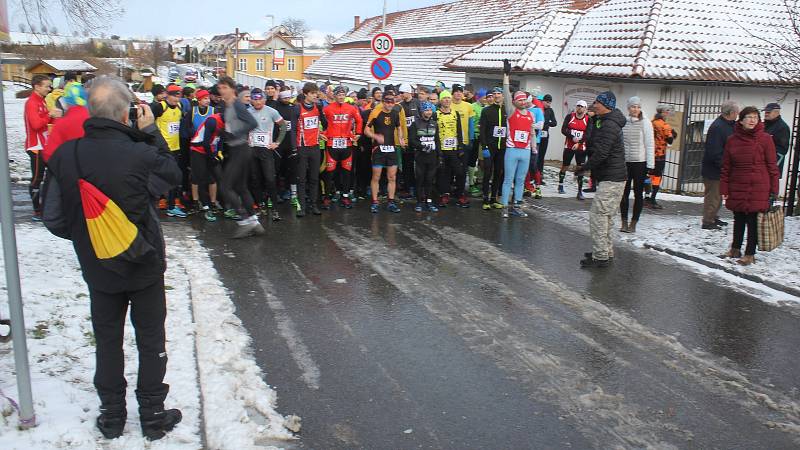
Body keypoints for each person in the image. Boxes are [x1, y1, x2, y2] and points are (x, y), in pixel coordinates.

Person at [41, 77, 183, 441]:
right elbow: (172, 176)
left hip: (97, 265)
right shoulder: (143, 154)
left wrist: (91, 238)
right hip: (144, 260)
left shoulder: (65, 156)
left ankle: (112, 415)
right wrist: (150, 131)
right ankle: (152, 414)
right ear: (126, 113)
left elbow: (54, 217)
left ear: (90, 112)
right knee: (151, 338)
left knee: (107, 338)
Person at [720, 106, 780, 265]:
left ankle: (750, 253)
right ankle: (735, 248)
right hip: (737, 183)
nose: (752, 120)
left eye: (755, 117)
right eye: (749, 117)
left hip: (759, 185)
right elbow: (726, 167)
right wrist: (724, 188)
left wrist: (774, 190)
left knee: (753, 220)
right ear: (741, 120)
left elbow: (772, 166)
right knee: (738, 217)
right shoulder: (732, 140)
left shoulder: (766, 139)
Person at [576, 91, 627, 268]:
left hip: (612, 178)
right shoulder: (605, 121)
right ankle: (605, 251)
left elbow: (602, 152)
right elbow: (593, 143)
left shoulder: (610, 125)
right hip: (613, 177)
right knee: (606, 216)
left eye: (597, 102)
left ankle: (601, 257)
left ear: (606, 105)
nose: (594, 105)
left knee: (598, 216)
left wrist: (584, 167)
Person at [217, 76, 264, 237]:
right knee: (241, 187)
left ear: (232, 89)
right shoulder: (228, 105)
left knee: (225, 186)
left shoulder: (236, 104)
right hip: (238, 149)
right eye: (220, 88)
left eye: (224, 87)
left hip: (241, 150)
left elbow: (252, 123)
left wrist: (233, 133)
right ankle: (255, 223)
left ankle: (244, 221)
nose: (221, 91)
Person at [500, 60, 534, 218]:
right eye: (519, 100)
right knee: (508, 179)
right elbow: (506, 93)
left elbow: (531, 133)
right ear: (514, 102)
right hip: (512, 150)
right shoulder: (512, 111)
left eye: (524, 99)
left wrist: (534, 148)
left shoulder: (531, 115)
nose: (522, 101)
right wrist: (506, 76)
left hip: (525, 151)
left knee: (520, 180)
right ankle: (505, 207)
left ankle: (517, 206)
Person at [25, 74, 62, 221]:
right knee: (37, 178)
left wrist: (54, 116)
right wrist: (50, 115)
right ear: (37, 86)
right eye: (46, 86)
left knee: (50, 176)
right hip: (35, 146)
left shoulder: (41, 101)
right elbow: (36, 125)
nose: (49, 88)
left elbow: (45, 121)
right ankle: (37, 211)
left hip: (44, 145)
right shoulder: (31, 103)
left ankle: (47, 207)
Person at [248, 88, 287, 222]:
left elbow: (283, 126)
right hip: (252, 150)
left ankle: (275, 209)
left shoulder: (271, 111)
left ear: (264, 99)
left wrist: (277, 142)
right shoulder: (248, 112)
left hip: (266, 150)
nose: (257, 102)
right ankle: (260, 206)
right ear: (251, 100)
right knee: (255, 180)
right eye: (255, 99)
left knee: (270, 179)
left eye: (260, 99)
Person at [364, 88, 404, 213]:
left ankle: (391, 201)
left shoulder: (395, 113)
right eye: (387, 102)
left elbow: (399, 127)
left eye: (392, 102)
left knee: (392, 176)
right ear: (383, 102)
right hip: (378, 149)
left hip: (391, 148)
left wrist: (401, 138)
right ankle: (375, 202)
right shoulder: (376, 112)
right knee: (376, 176)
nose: (390, 104)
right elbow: (366, 130)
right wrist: (375, 136)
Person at [322, 86, 363, 209]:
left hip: (346, 143)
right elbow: (320, 122)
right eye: (339, 95)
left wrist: (358, 134)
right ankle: (328, 197)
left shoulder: (351, 108)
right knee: (330, 172)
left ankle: (345, 196)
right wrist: (322, 134)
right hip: (332, 144)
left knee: (346, 171)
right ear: (334, 95)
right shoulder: (327, 108)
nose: (341, 97)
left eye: (343, 95)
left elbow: (359, 120)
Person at [701, 100, 739, 229]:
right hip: (714, 169)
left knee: (718, 195)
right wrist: (724, 166)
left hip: (719, 168)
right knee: (713, 196)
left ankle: (713, 217)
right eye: (736, 112)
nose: (737, 114)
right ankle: (708, 221)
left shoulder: (727, 125)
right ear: (731, 113)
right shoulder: (718, 127)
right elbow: (714, 151)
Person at [619, 96, 655, 233]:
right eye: (633, 106)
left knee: (638, 194)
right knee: (624, 192)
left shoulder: (645, 123)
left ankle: (633, 223)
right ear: (628, 108)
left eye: (638, 107)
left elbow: (649, 144)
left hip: (640, 163)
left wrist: (650, 165)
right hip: (625, 162)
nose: (636, 109)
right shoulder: (624, 122)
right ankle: (623, 221)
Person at [151, 84, 187, 217]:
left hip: (175, 147)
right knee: (159, 175)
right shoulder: (160, 106)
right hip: (162, 148)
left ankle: (171, 205)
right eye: (174, 96)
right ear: (167, 95)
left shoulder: (180, 107)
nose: (176, 99)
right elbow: (148, 122)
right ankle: (157, 203)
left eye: (178, 97)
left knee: (173, 177)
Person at [295, 82, 328, 217]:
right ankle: (301, 206)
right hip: (302, 147)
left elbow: (325, 125)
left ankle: (313, 204)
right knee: (302, 178)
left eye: (316, 93)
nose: (316, 95)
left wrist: (320, 111)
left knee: (314, 177)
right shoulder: (297, 108)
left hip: (315, 146)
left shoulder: (318, 107)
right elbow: (293, 130)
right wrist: (294, 147)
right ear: (306, 94)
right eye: (313, 93)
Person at [189, 110, 224, 222]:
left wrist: (219, 152)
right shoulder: (212, 121)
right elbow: (205, 142)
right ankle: (205, 207)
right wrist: (211, 157)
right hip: (198, 150)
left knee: (212, 178)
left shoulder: (229, 122)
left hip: (210, 149)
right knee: (200, 179)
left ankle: (212, 203)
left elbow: (221, 138)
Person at [435, 90, 468, 208]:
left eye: (449, 98)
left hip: (454, 148)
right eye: (444, 98)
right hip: (442, 149)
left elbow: (459, 130)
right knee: (444, 173)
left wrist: (460, 147)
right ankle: (445, 194)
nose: (447, 100)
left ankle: (460, 193)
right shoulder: (436, 114)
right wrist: (438, 150)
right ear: (440, 100)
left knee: (459, 172)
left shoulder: (455, 113)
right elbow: (435, 133)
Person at [43, 83, 89, 162]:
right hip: (93, 169)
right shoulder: (96, 117)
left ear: (67, 101)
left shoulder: (62, 122)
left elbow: (49, 154)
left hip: (70, 168)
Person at [409, 101, 441, 212]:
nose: (428, 112)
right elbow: (411, 141)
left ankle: (429, 202)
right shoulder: (415, 124)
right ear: (422, 111)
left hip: (432, 157)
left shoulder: (434, 123)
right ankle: (419, 202)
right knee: (420, 180)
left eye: (430, 110)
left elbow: (437, 140)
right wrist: (422, 146)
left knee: (429, 180)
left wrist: (439, 155)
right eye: (426, 110)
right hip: (420, 157)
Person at [479, 87, 507, 210]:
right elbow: (482, 130)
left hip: (502, 147)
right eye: (494, 93)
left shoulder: (506, 110)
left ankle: (494, 198)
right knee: (488, 172)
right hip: (490, 147)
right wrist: (484, 146)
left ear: (503, 96)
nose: (496, 95)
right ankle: (485, 199)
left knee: (498, 173)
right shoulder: (486, 111)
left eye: (499, 93)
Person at [558, 100, 590, 199]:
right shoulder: (570, 117)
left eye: (582, 106)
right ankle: (560, 184)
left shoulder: (588, 120)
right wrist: (572, 137)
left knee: (580, 168)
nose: (579, 108)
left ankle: (579, 191)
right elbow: (563, 129)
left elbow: (588, 134)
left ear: (585, 109)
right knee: (565, 165)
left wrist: (579, 143)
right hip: (569, 146)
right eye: (578, 106)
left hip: (581, 147)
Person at [647, 104, 676, 209]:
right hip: (660, 155)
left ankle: (646, 196)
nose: (668, 114)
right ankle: (652, 199)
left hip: (650, 154)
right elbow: (670, 140)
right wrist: (672, 133)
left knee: (648, 175)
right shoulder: (665, 126)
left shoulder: (651, 123)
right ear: (663, 113)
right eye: (667, 112)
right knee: (657, 177)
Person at [763, 103, 790, 177]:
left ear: (776, 112)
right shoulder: (763, 125)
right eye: (765, 112)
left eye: (768, 112)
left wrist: (772, 166)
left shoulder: (782, 127)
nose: (766, 114)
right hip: (760, 166)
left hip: (771, 169)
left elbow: (782, 150)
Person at [538, 94, 558, 185]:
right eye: (547, 102)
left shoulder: (550, 111)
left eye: (550, 103)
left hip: (545, 135)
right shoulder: (538, 109)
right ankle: (531, 175)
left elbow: (554, 123)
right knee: (535, 157)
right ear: (543, 101)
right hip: (537, 134)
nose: (548, 104)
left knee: (541, 157)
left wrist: (547, 123)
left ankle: (539, 177)